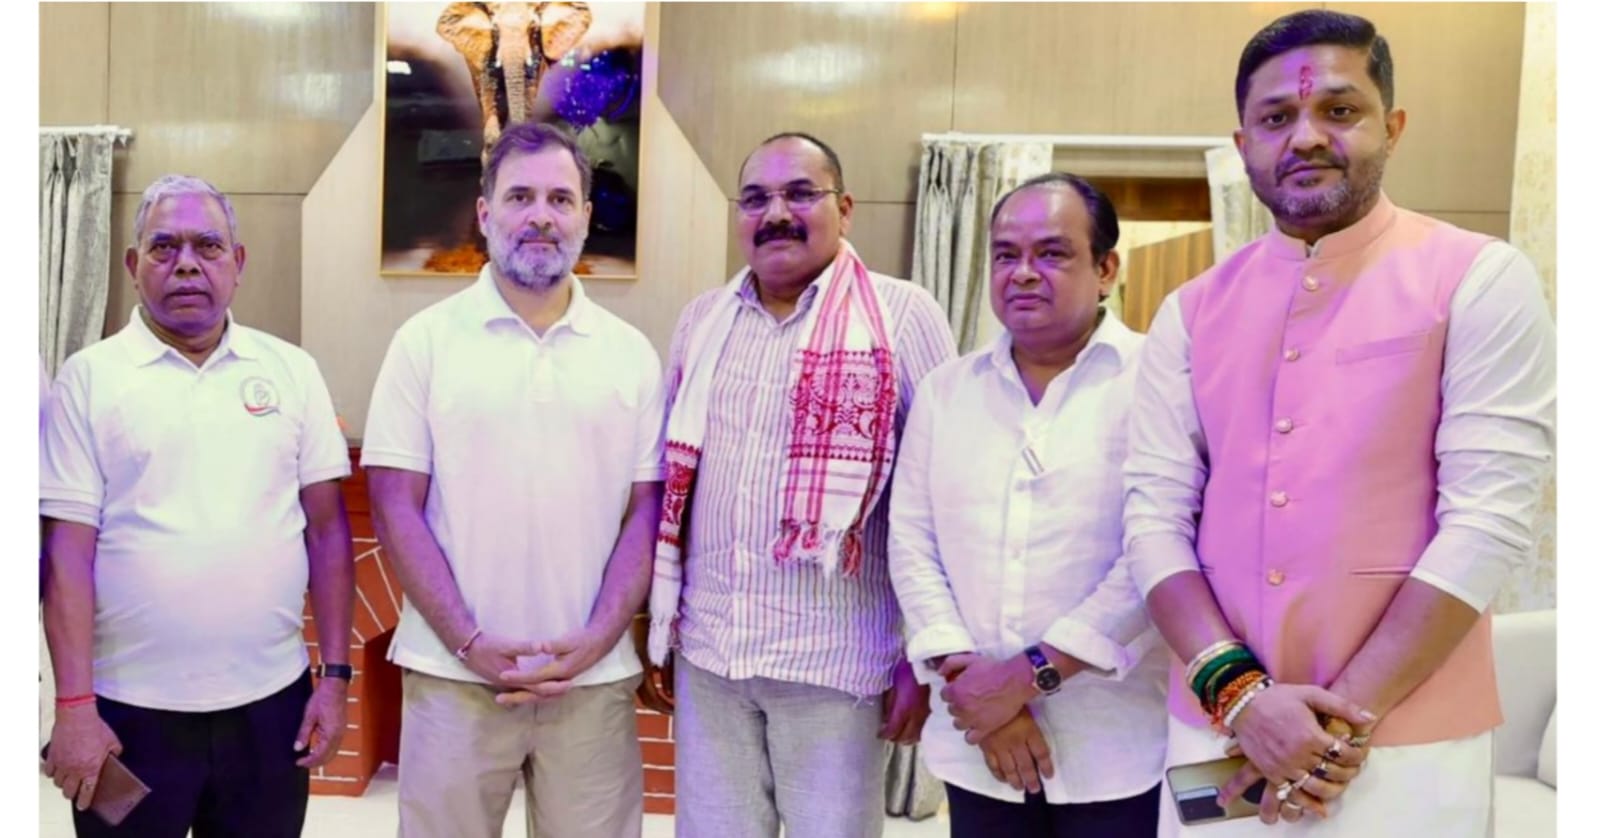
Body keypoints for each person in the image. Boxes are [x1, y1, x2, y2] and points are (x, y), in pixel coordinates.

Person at [1123, 9, 1556, 836]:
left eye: (1339, 109)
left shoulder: (1477, 278)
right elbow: (1152, 516)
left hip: (1404, 739)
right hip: (1222, 731)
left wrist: (1329, 728)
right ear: (1242, 143)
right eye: (1275, 118)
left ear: (1391, 126)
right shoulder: (1190, 310)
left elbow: (1488, 520)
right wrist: (1243, 699)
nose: (1305, 136)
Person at [644, 131, 957, 838]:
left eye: (800, 194)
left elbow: (941, 498)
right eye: (756, 198)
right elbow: (673, 486)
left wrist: (922, 657)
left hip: (835, 666)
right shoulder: (702, 321)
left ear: (844, 209)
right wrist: (654, 625)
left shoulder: (903, 316)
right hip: (713, 657)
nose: (776, 213)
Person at [363, 121, 664, 838]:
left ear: (585, 216)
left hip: (589, 682)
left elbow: (648, 513)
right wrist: (468, 641)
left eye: (560, 199)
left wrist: (597, 638)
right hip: (453, 676)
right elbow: (394, 505)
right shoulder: (423, 343)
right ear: (484, 212)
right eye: (520, 196)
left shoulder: (631, 356)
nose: (540, 216)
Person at [40, 174, 355, 837]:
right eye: (164, 247)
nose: (186, 263)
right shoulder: (88, 380)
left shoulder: (292, 371)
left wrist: (334, 679)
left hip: (270, 709)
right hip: (127, 714)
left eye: (208, 246)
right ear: (134, 266)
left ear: (237, 263)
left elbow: (328, 533)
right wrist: (73, 706)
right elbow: (66, 554)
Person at [890, 173, 1168, 837]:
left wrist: (1029, 676)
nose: (1022, 272)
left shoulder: (1159, 381)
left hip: (1113, 739)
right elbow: (911, 542)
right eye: (1005, 254)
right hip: (978, 738)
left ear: (1105, 270)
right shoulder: (945, 392)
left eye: (1052, 253)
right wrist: (974, 685)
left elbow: (1160, 548)